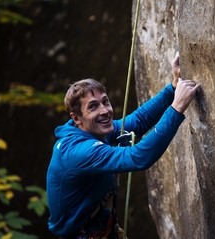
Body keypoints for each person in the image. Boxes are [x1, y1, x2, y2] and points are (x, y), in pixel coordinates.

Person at [46, 52, 200, 239]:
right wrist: (176, 108)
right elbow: (138, 157)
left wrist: (173, 88)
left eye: (105, 102)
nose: (104, 111)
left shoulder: (94, 130)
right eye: (93, 107)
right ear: (76, 118)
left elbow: (139, 120)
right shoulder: (78, 152)